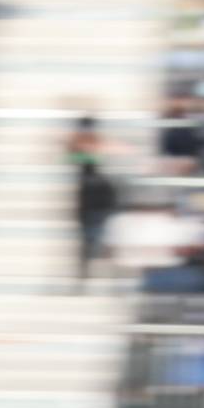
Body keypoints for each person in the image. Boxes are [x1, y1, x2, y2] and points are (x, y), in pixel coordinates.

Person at [66, 113, 117, 291]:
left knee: (93, 238)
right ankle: (84, 273)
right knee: (87, 240)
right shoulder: (79, 143)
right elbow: (74, 158)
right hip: (87, 198)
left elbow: (96, 157)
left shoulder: (92, 143)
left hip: (95, 198)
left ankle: (91, 271)